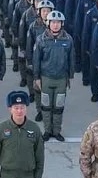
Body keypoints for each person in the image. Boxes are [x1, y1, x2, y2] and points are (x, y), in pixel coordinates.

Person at [33, 9, 76, 141]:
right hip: (46, 77)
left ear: (61, 24)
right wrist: (37, 78)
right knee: (46, 106)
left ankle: (56, 131)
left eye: (58, 22)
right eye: (53, 22)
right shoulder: (41, 40)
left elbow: (71, 58)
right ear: (48, 23)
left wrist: (70, 76)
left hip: (61, 78)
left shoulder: (68, 40)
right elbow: (36, 60)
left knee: (58, 107)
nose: (55, 25)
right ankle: (47, 130)